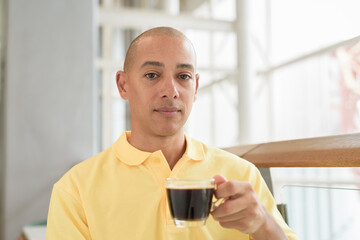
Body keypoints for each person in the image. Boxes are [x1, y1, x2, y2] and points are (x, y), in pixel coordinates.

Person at [46, 26, 298, 240]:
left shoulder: (242, 175)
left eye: (183, 76)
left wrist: (264, 225)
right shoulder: (75, 189)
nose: (171, 90)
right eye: (152, 75)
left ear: (196, 86)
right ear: (123, 85)